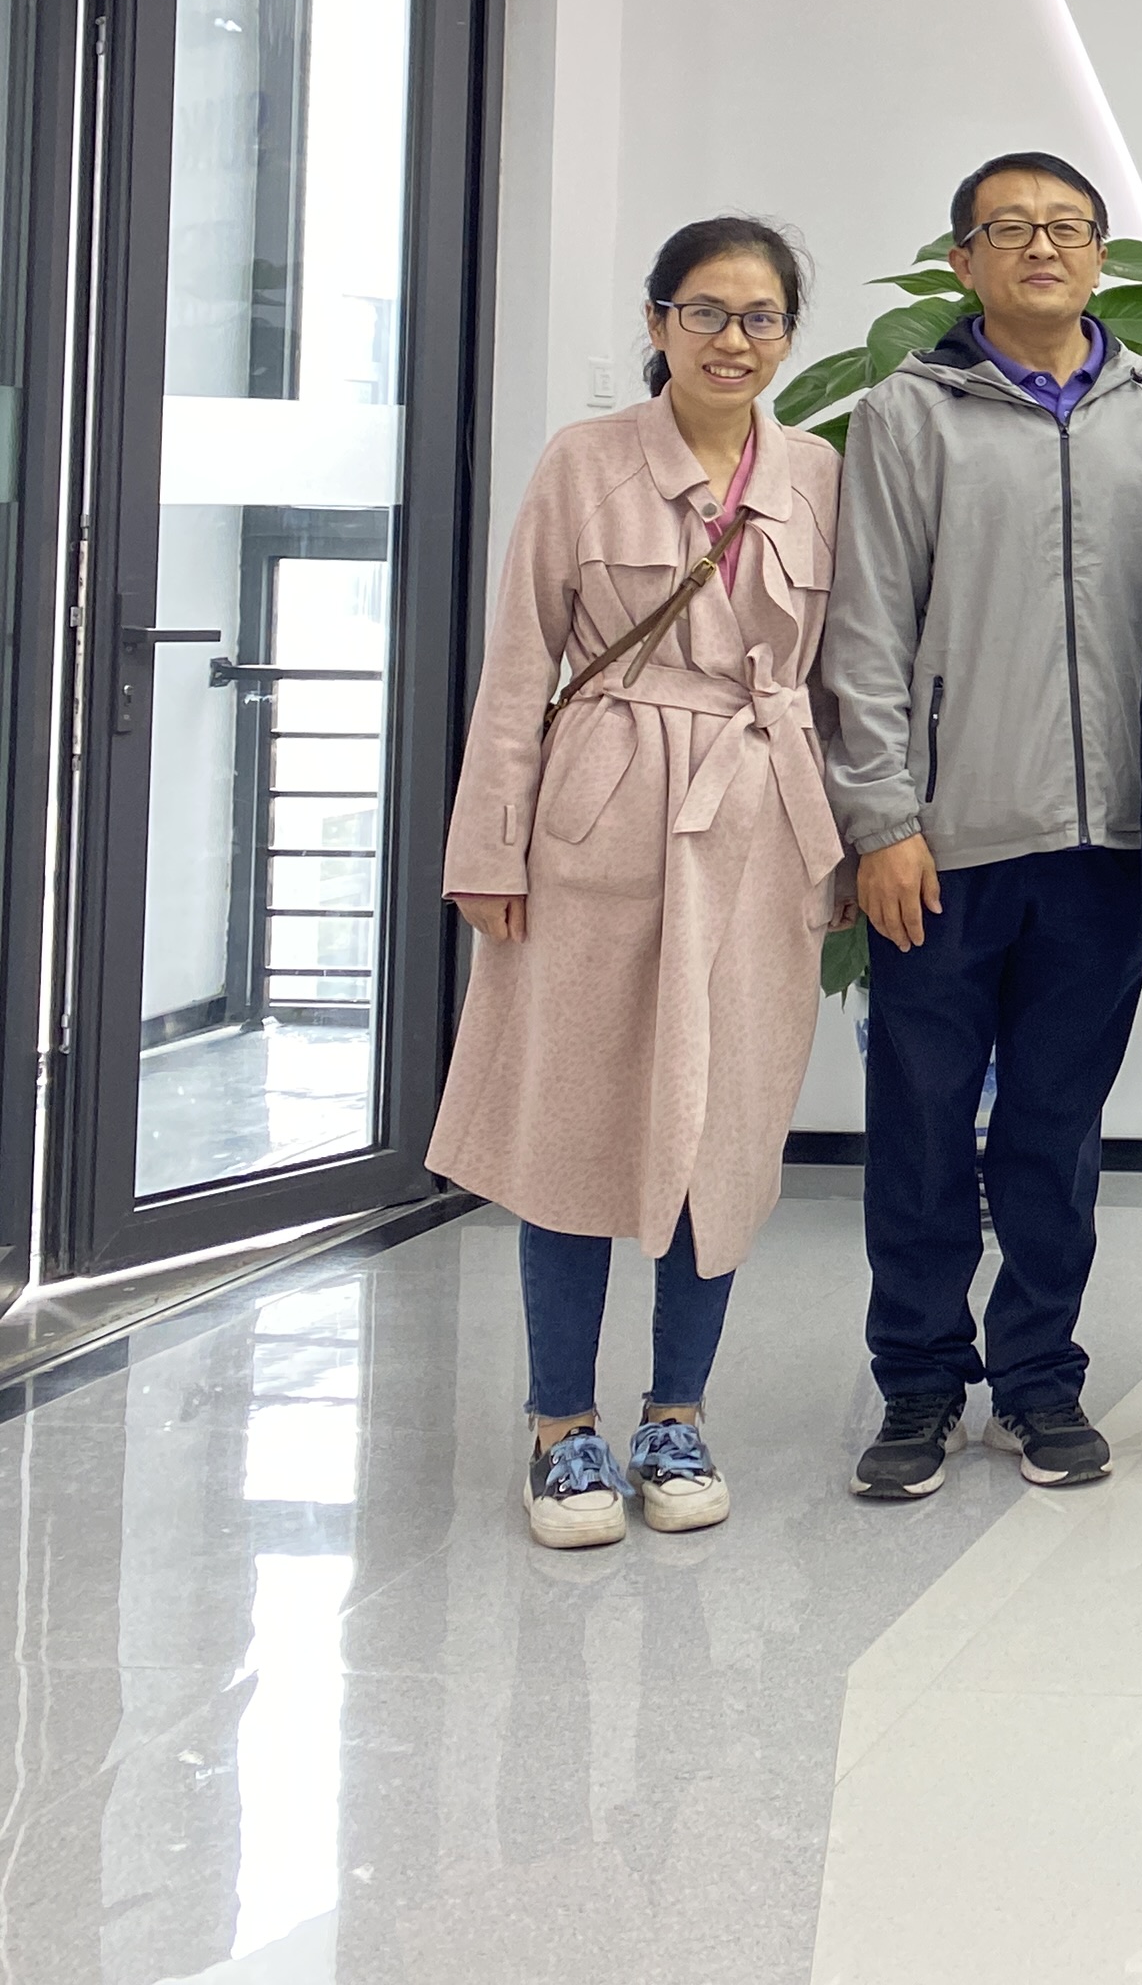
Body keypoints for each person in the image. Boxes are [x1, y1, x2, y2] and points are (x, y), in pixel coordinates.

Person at [438, 219, 847, 1549]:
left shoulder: (817, 472)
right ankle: (561, 1424)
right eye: (706, 311)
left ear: (790, 334)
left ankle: (678, 1413)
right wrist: (489, 846)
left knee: (720, 1124)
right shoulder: (585, 461)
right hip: (599, 820)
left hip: (756, 823)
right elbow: (521, 661)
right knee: (571, 1121)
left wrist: (842, 845)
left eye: (762, 316)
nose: (735, 339)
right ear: (660, 321)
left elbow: (840, 678)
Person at [820, 150, 1142, 1498]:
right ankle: (920, 1381)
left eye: (1068, 227)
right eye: (1011, 228)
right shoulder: (906, 414)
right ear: (963, 260)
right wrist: (882, 820)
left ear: (1102, 253)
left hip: (1108, 846)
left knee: (1058, 1126)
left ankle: (1040, 1378)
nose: (1043, 247)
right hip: (945, 841)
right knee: (923, 1125)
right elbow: (866, 630)